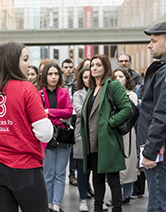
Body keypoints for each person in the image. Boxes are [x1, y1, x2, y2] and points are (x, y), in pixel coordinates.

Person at [0, 42, 53, 212]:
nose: (29, 63)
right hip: (24, 168)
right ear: (12, 62)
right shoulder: (27, 89)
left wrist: (2, 136)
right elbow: (45, 134)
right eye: (25, 59)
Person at [80, 54, 132, 212]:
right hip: (93, 142)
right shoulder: (91, 90)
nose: (94, 68)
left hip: (108, 142)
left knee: (114, 180)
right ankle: (97, 209)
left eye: (98, 65)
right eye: (92, 65)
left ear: (106, 68)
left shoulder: (113, 85)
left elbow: (127, 109)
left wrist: (110, 123)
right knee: (97, 179)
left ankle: (117, 209)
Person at [137, 21, 166, 212]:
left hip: (163, 155)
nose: (149, 45)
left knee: (160, 207)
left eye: (153, 41)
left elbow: (162, 115)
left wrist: (149, 152)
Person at [40, 62, 73, 212]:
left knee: (60, 174)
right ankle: (48, 205)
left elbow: (69, 112)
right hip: (47, 138)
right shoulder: (38, 93)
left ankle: (57, 206)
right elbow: (39, 114)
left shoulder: (64, 92)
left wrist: (50, 112)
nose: (53, 77)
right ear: (45, 76)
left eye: (55, 74)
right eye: (50, 74)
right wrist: (56, 115)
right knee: (48, 174)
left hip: (63, 137)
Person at [106, 67, 138, 206]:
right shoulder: (108, 94)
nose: (118, 79)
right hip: (114, 132)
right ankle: (116, 195)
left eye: (121, 76)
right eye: (115, 76)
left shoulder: (132, 95)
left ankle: (127, 194)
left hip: (128, 132)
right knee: (115, 164)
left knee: (129, 163)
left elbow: (130, 113)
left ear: (127, 79)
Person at [73, 66, 90, 212]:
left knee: (97, 172)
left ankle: (98, 199)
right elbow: (80, 112)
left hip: (98, 138)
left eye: (90, 76)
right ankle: (83, 199)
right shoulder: (77, 94)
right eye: (85, 77)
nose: (88, 80)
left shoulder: (102, 92)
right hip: (81, 137)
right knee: (82, 171)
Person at [60, 58, 78, 187]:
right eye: (66, 67)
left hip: (75, 116)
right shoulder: (58, 82)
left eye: (70, 67)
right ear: (62, 69)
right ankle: (60, 173)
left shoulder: (77, 83)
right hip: (62, 116)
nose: (68, 69)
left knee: (74, 147)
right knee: (62, 145)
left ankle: (72, 174)